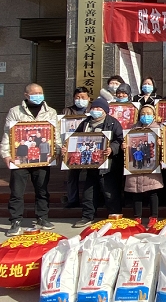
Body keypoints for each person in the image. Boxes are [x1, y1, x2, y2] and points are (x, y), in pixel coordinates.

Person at [1, 84, 61, 235]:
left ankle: (42, 217)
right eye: (35, 93)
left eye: (40, 93)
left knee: (42, 190)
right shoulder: (15, 111)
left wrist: (57, 151)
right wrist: (6, 154)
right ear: (26, 95)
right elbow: (7, 134)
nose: (38, 95)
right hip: (19, 159)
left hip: (42, 158)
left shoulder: (51, 112)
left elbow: (56, 135)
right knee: (17, 191)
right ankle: (15, 221)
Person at [72, 97, 124, 228]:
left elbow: (119, 139)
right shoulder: (85, 123)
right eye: (94, 108)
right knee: (89, 192)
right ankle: (87, 216)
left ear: (105, 110)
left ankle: (115, 216)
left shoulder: (112, 123)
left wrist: (112, 149)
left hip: (108, 165)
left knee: (109, 191)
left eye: (99, 108)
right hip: (90, 164)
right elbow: (75, 138)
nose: (95, 110)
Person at [122, 104, 162, 228]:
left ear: (154, 115)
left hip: (152, 167)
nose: (145, 116)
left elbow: (165, 149)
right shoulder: (132, 129)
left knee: (153, 192)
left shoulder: (159, 129)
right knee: (136, 192)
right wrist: (124, 146)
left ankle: (154, 217)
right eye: (143, 114)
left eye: (148, 114)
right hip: (135, 167)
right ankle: (137, 217)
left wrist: (161, 144)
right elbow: (128, 146)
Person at [61, 87, 92, 208]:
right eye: (77, 97)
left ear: (89, 98)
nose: (80, 100)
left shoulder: (94, 109)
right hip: (72, 146)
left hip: (88, 144)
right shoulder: (67, 111)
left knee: (91, 174)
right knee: (72, 175)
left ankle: (90, 200)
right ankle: (72, 200)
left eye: (83, 97)